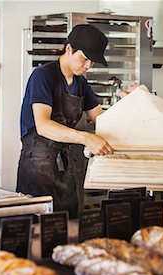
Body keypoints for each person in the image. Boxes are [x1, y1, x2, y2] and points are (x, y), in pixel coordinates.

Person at [17, 24, 122, 219]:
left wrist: (128, 104)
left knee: (70, 228)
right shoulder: (43, 76)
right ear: (69, 49)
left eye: (92, 61)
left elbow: (101, 119)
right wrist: (86, 138)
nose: (88, 66)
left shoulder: (81, 83)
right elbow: (43, 125)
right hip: (38, 167)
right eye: (84, 59)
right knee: (38, 230)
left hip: (67, 169)